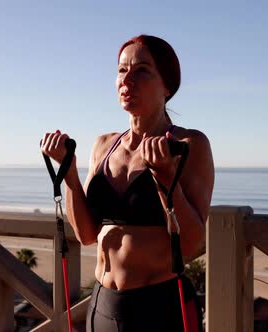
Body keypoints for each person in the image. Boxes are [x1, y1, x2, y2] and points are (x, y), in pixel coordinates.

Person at [41, 34, 214, 332]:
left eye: (142, 70)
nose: (127, 79)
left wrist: (165, 177)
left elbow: (190, 243)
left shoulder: (188, 145)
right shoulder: (103, 145)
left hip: (159, 308)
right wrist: (68, 173)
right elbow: (85, 234)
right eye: (122, 70)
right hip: (103, 304)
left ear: (167, 86)